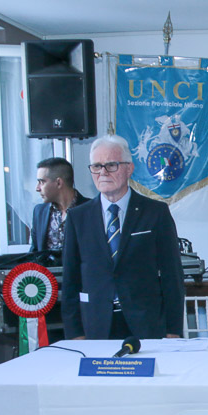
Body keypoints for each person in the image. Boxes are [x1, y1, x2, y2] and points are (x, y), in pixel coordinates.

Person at [61, 135, 185, 340]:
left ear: (129, 168)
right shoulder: (77, 217)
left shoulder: (155, 213)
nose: (103, 172)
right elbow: (70, 281)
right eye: (97, 166)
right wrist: (75, 333)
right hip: (95, 326)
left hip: (146, 325)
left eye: (111, 165)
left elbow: (172, 276)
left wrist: (173, 330)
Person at [30, 157, 89, 252]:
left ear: (58, 183)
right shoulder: (39, 212)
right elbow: (34, 252)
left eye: (42, 182)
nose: (37, 188)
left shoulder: (91, 210)